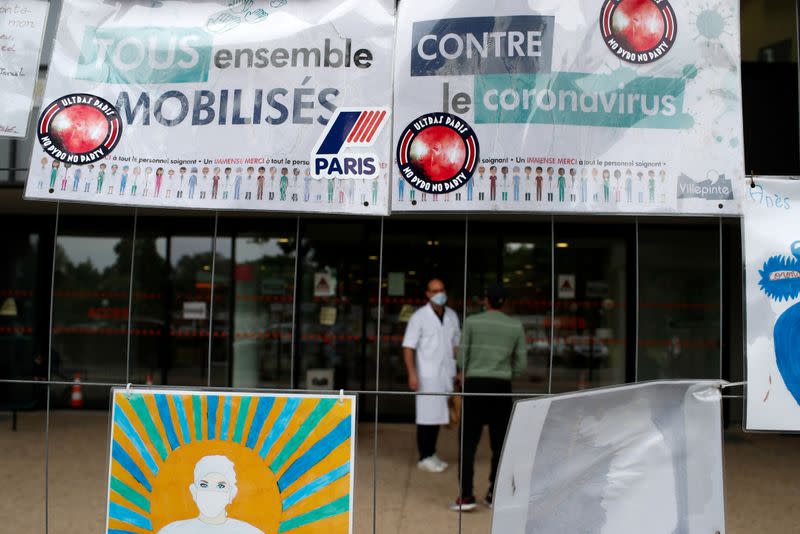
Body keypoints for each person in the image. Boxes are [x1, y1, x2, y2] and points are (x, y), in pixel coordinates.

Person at [450, 284, 526, 512]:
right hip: (501, 387)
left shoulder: (472, 322)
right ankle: (495, 493)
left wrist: (470, 370)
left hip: (475, 385)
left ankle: (466, 496)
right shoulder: (515, 326)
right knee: (500, 443)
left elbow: (462, 358)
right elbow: (521, 366)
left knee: (468, 443)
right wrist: (504, 374)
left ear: (486, 300)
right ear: (505, 302)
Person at [402, 278, 460, 473]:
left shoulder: (452, 315)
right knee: (426, 416)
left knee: (438, 416)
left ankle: (432, 453)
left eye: (442, 290)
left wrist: (459, 370)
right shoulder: (419, 317)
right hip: (426, 375)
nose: (439, 294)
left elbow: (456, 346)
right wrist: (412, 373)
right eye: (435, 291)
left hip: (446, 374)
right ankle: (424, 456)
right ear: (427, 294)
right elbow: (408, 347)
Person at [157, 455, 263, 534]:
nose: (212, 493)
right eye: (204, 485)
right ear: (194, 491)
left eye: (220, 486)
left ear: (232, 493)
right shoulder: (171, 531)